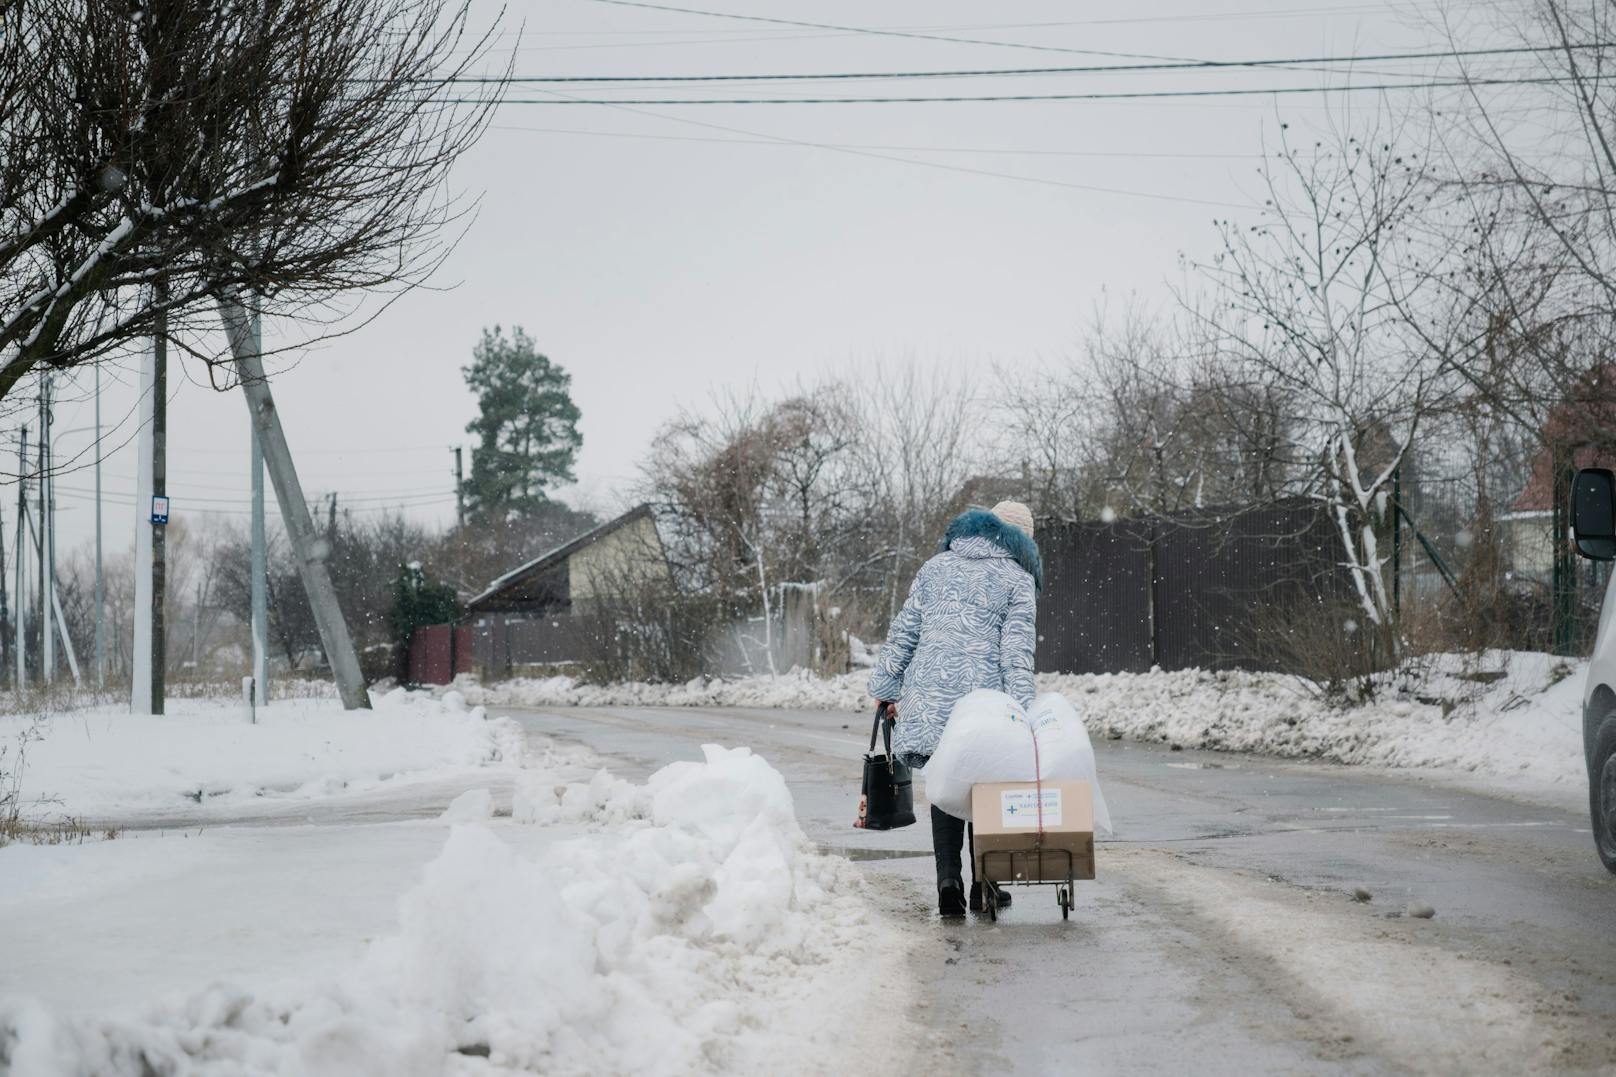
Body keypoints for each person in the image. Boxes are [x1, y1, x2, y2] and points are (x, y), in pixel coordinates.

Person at [868, 500, 1041, 917]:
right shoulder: (1018, 580)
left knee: (945, 787)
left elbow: (904, 633)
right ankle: (985, 881)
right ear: (1022, 540)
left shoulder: (935, 567)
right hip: (983, 704)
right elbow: (1015, 657)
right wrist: (1026, 713)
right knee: (984, 785)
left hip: (930, 700)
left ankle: (949, 881)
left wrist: (886, 688)